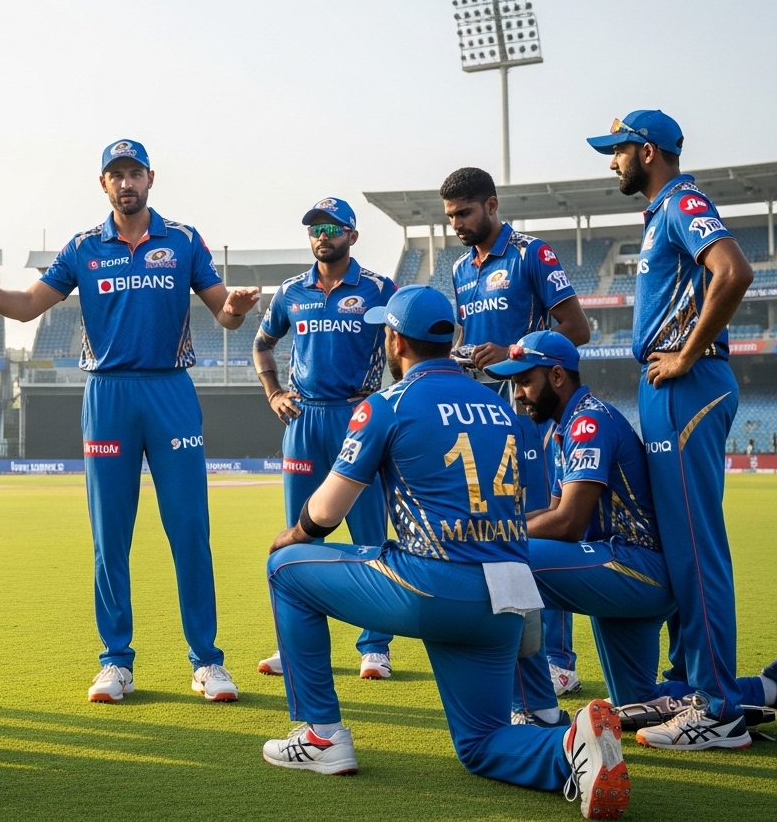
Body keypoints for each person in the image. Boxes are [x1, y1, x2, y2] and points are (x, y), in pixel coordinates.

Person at [261, 285, 630, 820]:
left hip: (435, 588)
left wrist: (295, 534)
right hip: (509, 597)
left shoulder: (388, 404)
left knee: (286, 570)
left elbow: (327, 511)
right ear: (450, 338)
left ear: (394, 339)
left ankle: (321, 736)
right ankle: (571, 745)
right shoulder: (498, 404)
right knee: (481, 743)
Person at [0, 140, 259, 703]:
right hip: (107, 395)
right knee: (110, 536)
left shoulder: (182, 240)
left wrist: (235, 306)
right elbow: (27, 305)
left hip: (170, 392)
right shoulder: (84, 247)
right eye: (116, 174)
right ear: (103, 184)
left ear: (151, 178)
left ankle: (207, 661)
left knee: (189, 530)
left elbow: (224, 315)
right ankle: (116, 662)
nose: (126, 182)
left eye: (134, 172)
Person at [587, 110, 754, 749]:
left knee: (694, 548)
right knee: (677, 542)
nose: (612, 162)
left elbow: (733, 272)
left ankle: (718, 711)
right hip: (667, 388)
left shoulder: (683, 199)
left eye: (619, 150)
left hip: (687, 383)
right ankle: (691, 687)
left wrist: (686, 354)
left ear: (647, 150)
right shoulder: (661, 213)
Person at [440, 166, 592, 697]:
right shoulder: (460, 268)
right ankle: (506, 645)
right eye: (450, 216)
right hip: (479, 416)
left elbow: (578, 329)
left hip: (528, 411)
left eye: (464, 213)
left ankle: (559, 657)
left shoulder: (532, 253)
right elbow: (471, 339)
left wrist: (509, 352)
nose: (457, 224)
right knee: (490, 525)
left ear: (492, 205)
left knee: (536, 524)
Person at [486, 331, 673, 725]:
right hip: (625, 568)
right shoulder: (565, 428)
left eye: (524, 381)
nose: (518, 394)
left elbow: (568, 524)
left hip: (636, 566)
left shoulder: (587, 422)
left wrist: (496, 535)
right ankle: (774, 686)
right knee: (639, 704)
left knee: (511, 562)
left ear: (557, 376)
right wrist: (502, 525)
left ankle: (537, 712)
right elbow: (551, 515)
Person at [252, 197, 396, 680]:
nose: (322, 235)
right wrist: (273, 391)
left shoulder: (378, 288)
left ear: (352, 235)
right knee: (299, 535)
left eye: (332, 228)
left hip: (359, 417)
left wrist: (390, 400)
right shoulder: (291, 291)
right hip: (304, 421)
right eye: (314, 228)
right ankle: (294, 644)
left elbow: (405, 341)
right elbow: (262, 342)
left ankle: (376, 647)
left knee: (368, 534)